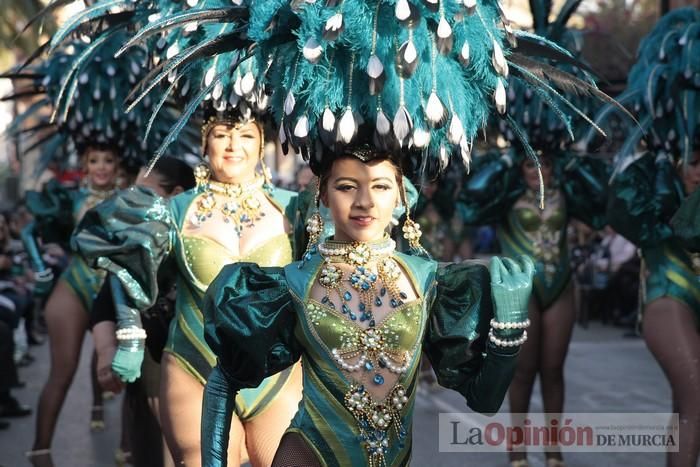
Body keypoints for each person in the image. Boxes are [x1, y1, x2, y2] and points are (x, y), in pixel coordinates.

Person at [202, 148, 534, 466]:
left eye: (381, 186)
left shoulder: (430, 281)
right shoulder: (290, 285)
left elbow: (485, 401)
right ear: (323, 195)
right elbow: (223, 382)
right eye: (346, 186)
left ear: (401, 197)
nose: (365, 202)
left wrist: (509, 331)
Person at [73, 108, 306, 467]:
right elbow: (125, 265)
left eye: (245, 135)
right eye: (221, 134)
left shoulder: (296, 209)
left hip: (278, 376)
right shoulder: (175, 209)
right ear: (204, 141)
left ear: (262, 144)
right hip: (194, 365)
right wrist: (129, 334)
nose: (233, 145)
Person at [605, 8, 700, 467]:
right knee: (696, 394)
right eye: (695, 158)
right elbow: (622, 208)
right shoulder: (651, 182)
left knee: (688, 407)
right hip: (670, 293)